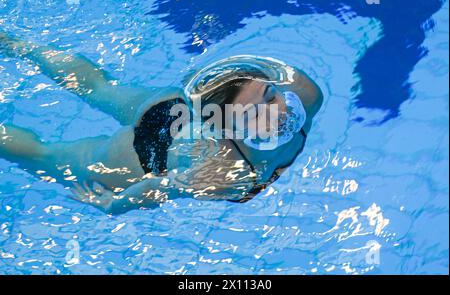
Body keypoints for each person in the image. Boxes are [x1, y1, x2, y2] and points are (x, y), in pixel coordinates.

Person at [0, 31, 323, 214]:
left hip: (170, 105)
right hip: (141, 155)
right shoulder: (226, 174)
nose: (277, 112)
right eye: (254, 115)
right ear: (227, 130)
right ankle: (13, 45)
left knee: (101, 87)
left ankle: (16, 45)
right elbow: (157, 186)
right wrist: (115, 204)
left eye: (270, 95)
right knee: (42, 154)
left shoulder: (306, 94)